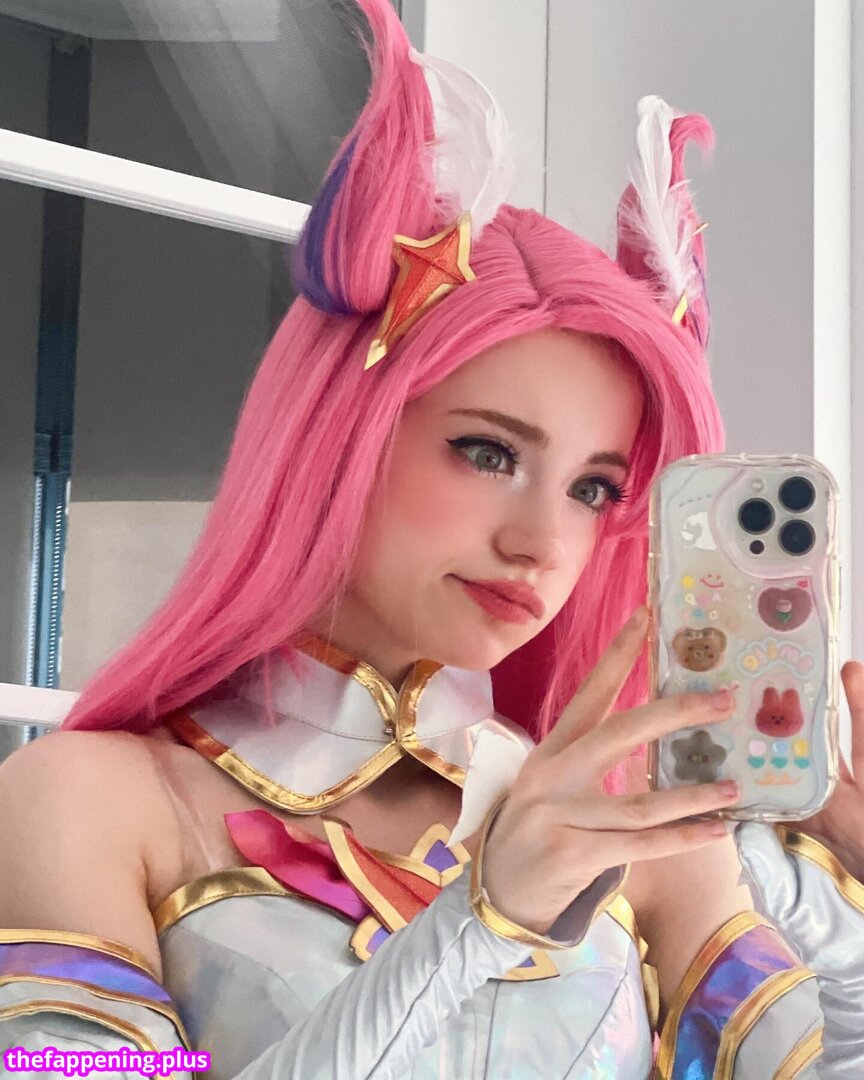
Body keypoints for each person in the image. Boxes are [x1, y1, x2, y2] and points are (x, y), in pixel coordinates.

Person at [1, 1, 863, 1076]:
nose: (543, 541)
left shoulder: (640, 844)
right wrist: (480, 925)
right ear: (338, 438)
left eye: (594, 489)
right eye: (488, 453)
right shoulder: (87, 800)